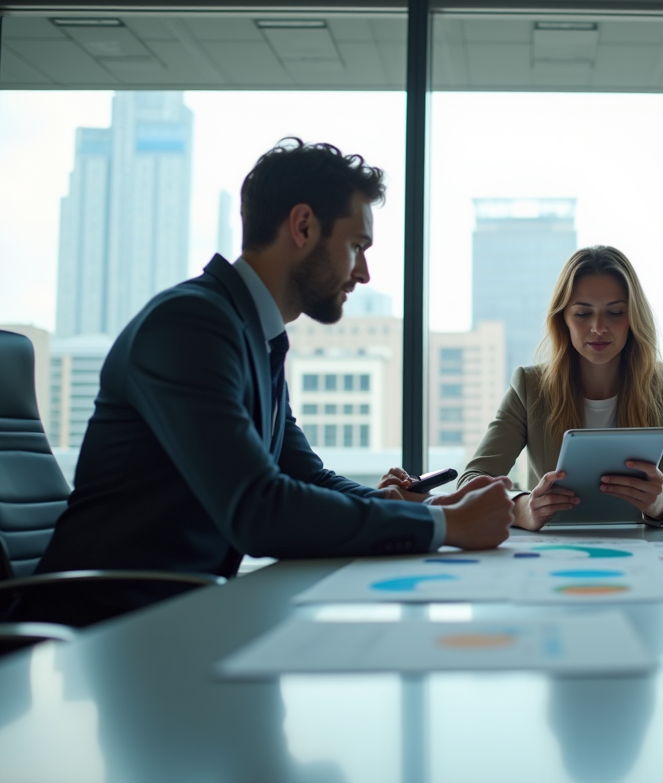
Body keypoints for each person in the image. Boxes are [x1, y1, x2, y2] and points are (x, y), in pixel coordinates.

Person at [30, 139, 513, 624]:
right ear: (303, 226)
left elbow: (305, 475)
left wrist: (417, 505)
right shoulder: (189, 324)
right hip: (103, 629)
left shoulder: (253, 335)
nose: (363, 273)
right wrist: (445, 524)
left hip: (179, 615)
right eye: (356, 246)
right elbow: (259, 510)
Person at [457, 246, 663, 530]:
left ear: (633, 318)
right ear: (562, 318)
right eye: (583, 314)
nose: (598, 327)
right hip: (553, 549)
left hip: (644, 545)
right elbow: (472, 479)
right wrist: (523, 507)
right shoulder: (530, 387)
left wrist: (662, 503)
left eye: (615, 313)